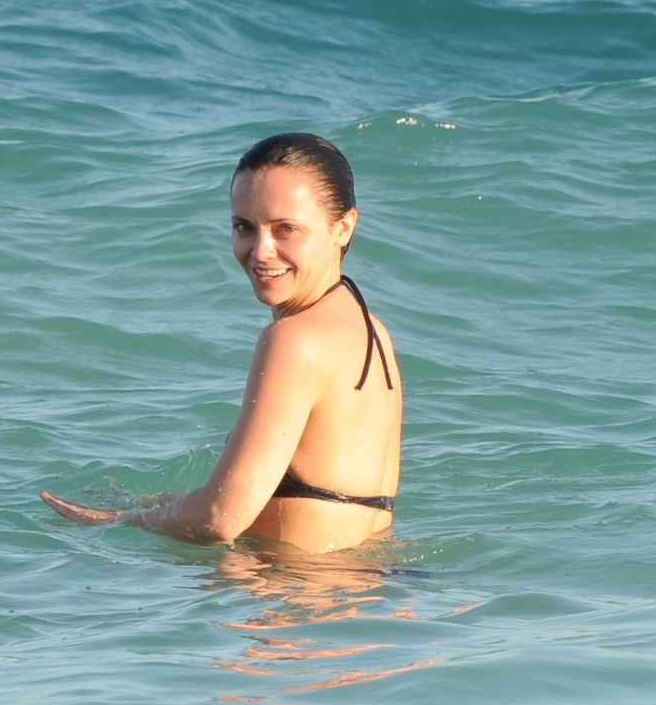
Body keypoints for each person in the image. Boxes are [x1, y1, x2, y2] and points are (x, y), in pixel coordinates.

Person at [41, 133, 401, 553]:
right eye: (244, 227)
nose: (261, 251)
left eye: (285, 229)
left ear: (343, 227)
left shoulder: (294, 340)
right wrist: (151, 504)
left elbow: (220, 518)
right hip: (371, 581)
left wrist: (120, 522)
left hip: (296, 590)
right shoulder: (370, 330)